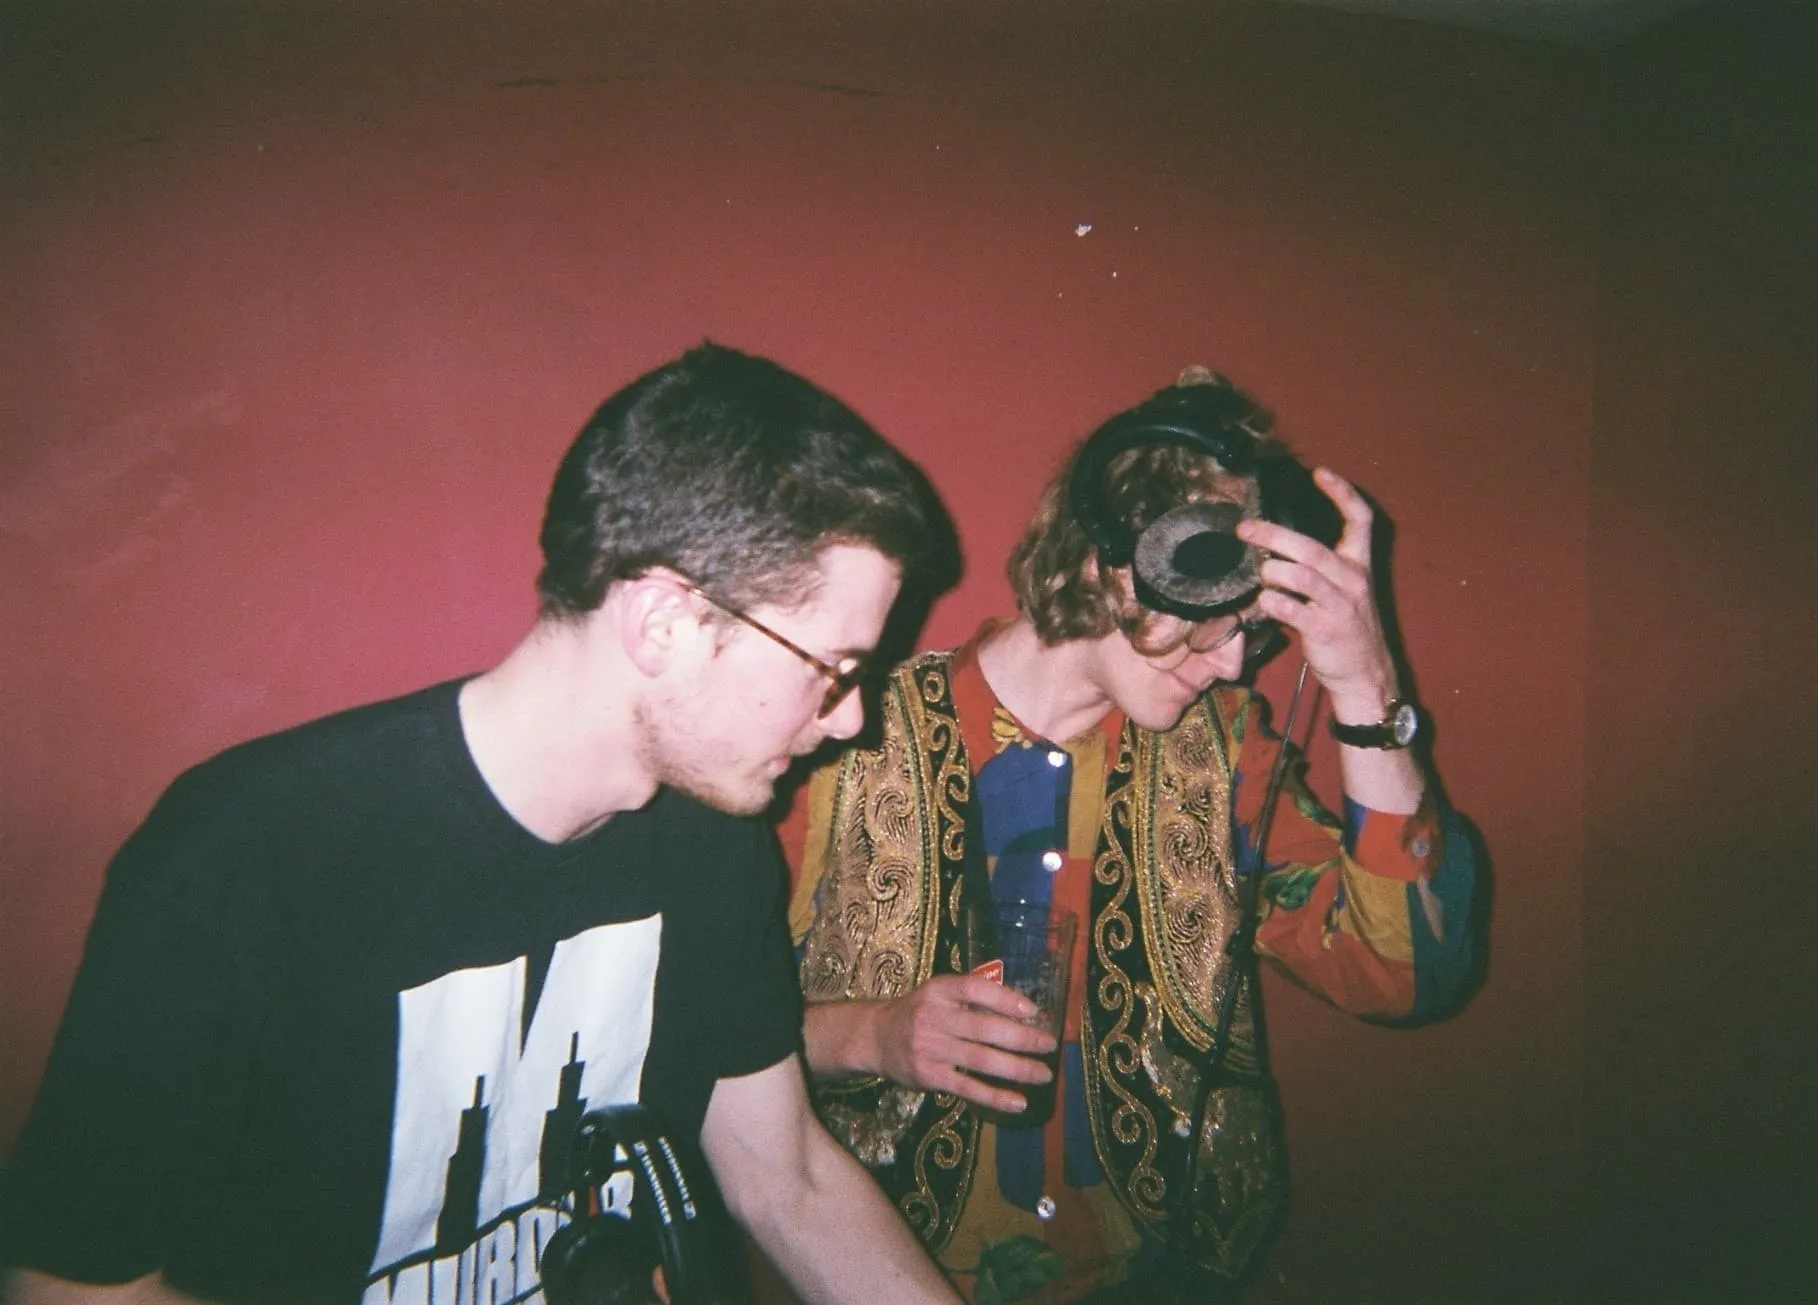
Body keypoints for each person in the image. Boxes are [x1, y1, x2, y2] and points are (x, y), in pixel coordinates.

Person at [0, 343, 964, 1305]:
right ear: (665, 621)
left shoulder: (711, 839)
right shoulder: (249, 852)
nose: (851, 718)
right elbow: (73, 1285)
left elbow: (785, 1171)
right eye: (831, 668)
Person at [783, 368, 1478, 1303]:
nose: (1237, 662)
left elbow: (1407, 975)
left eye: (1253, 634)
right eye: (1211, 625)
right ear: (1100, 566)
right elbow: (694, 1028)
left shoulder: (1227, 756)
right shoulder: (840, 738)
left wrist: (1366, 688)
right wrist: (872, 1033)